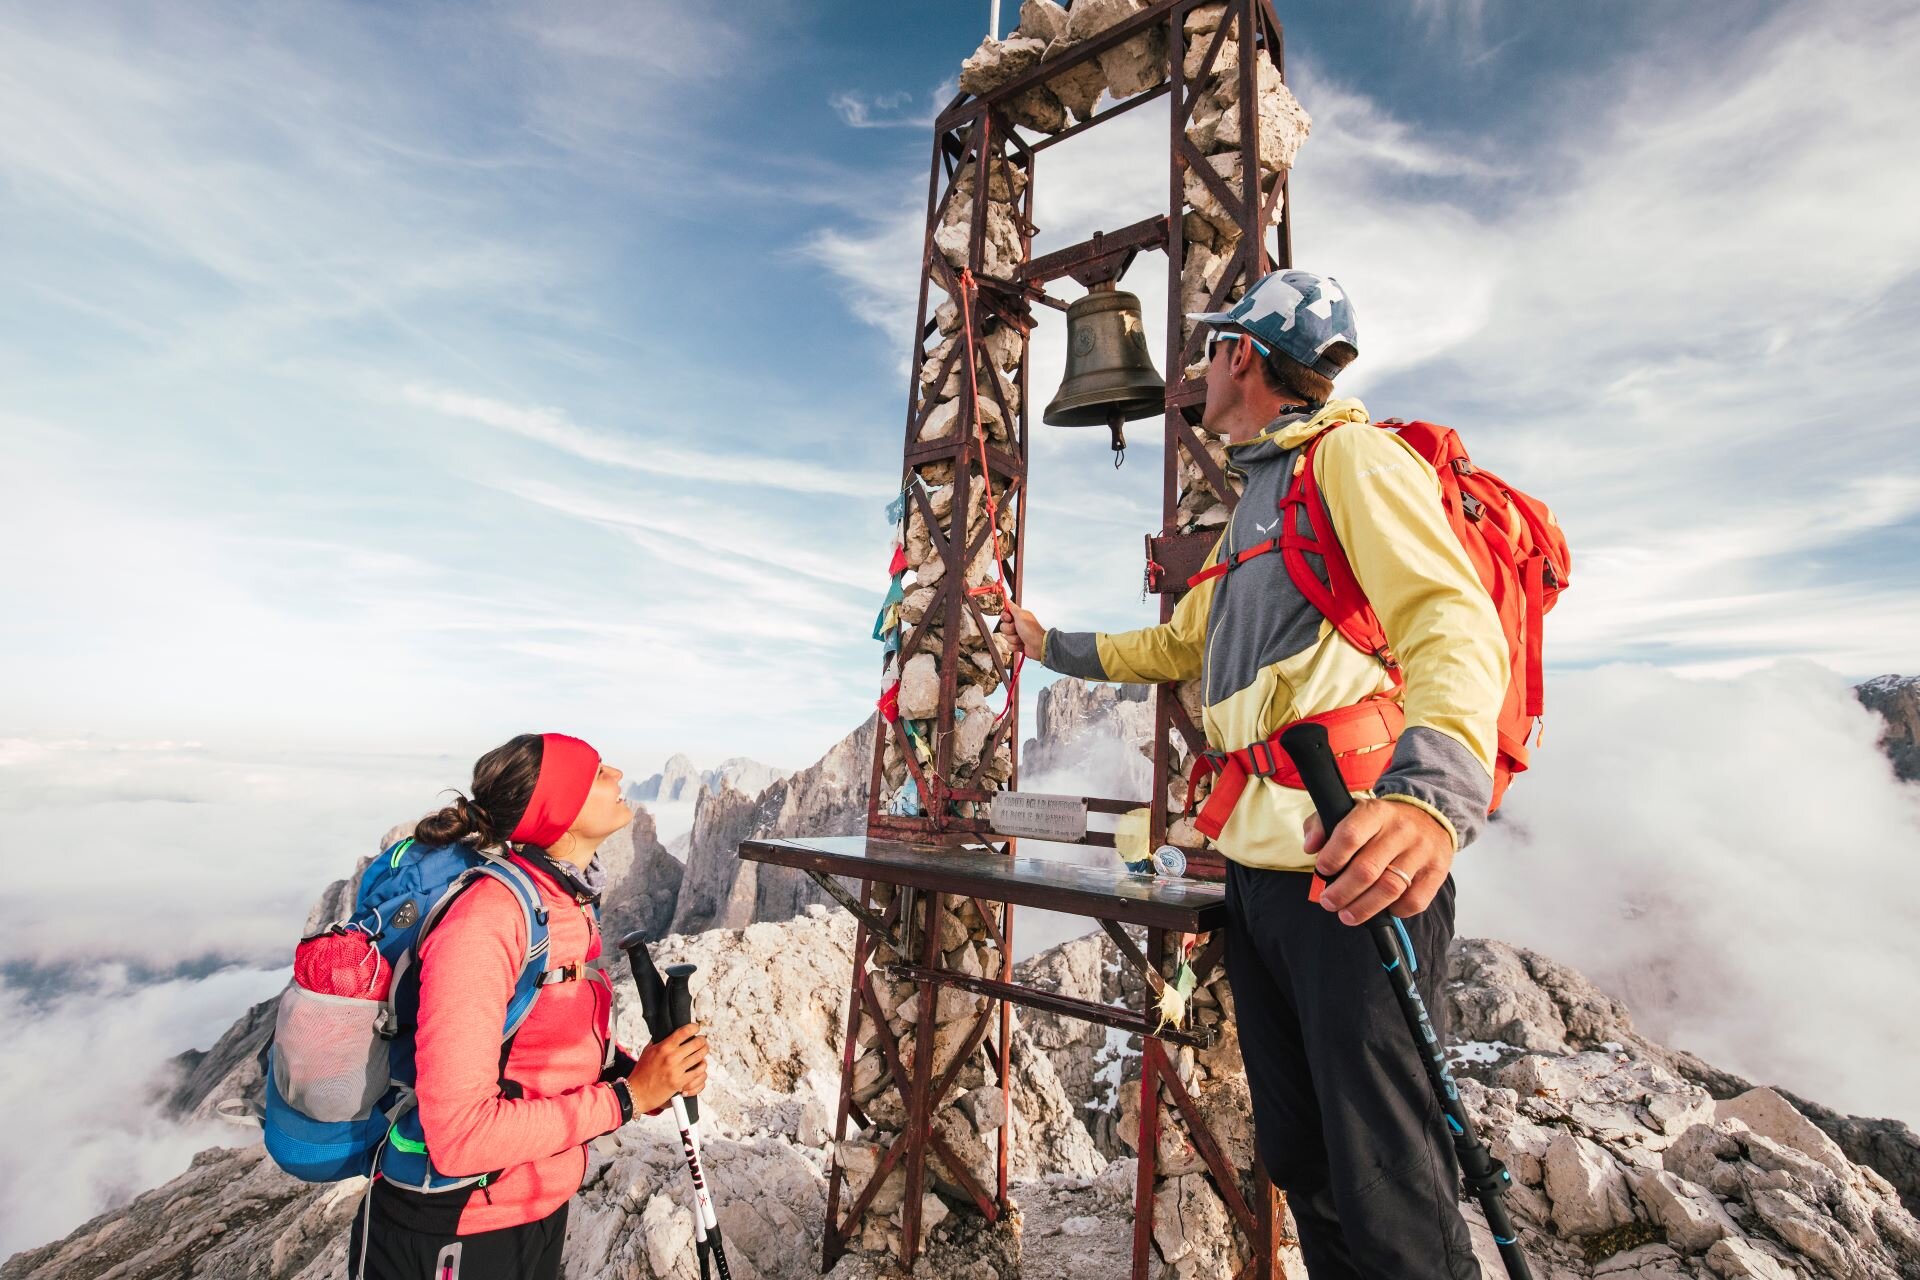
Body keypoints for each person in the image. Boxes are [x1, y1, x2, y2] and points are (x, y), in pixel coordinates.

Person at [1000, 271, 1505, 1279]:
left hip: (1356, 877)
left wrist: (1433, 799)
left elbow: (1454, 618)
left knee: (1388, 1183)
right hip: (1265, 885)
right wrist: (1045, 642)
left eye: (1209, 347)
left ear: (1242, 352)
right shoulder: (1256, 508)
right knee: (1308, 1160)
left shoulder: (1352, 460)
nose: (1191, 370)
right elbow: (1177, 645)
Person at [349, 733, 708, 1280]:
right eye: (592, 773)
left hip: (529, 1211)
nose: (614, 772)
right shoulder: (487, 919)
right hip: (450, 1229)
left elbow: (529, 1054)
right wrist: (627, 1099)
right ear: (558, 816)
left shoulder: (562, 901)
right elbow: (461, 1136)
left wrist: (648, 1078)